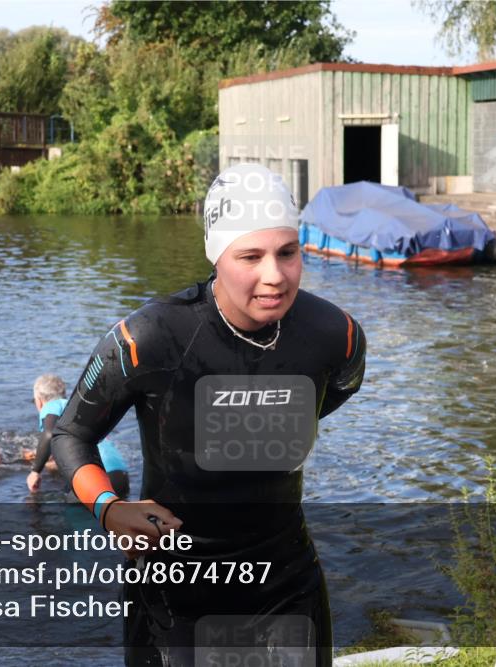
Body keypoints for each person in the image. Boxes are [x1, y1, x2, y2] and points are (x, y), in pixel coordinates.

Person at [51, 163, 366, 665]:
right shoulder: (148, 338)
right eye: (250, 256)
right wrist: (109, 508)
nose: (274, 276)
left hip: (285, 578)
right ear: (216, 255)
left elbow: (329, 397)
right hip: (174, 587)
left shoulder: (336, 335)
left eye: (288, 252)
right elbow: (70, 434)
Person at [27, 374, 129, 498]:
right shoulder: (76, 407)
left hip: (96, 477)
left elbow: (49, 434)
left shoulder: (51, 406)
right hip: (120, 473)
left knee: (70, 513)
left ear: (39, 400)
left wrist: (35, 471)